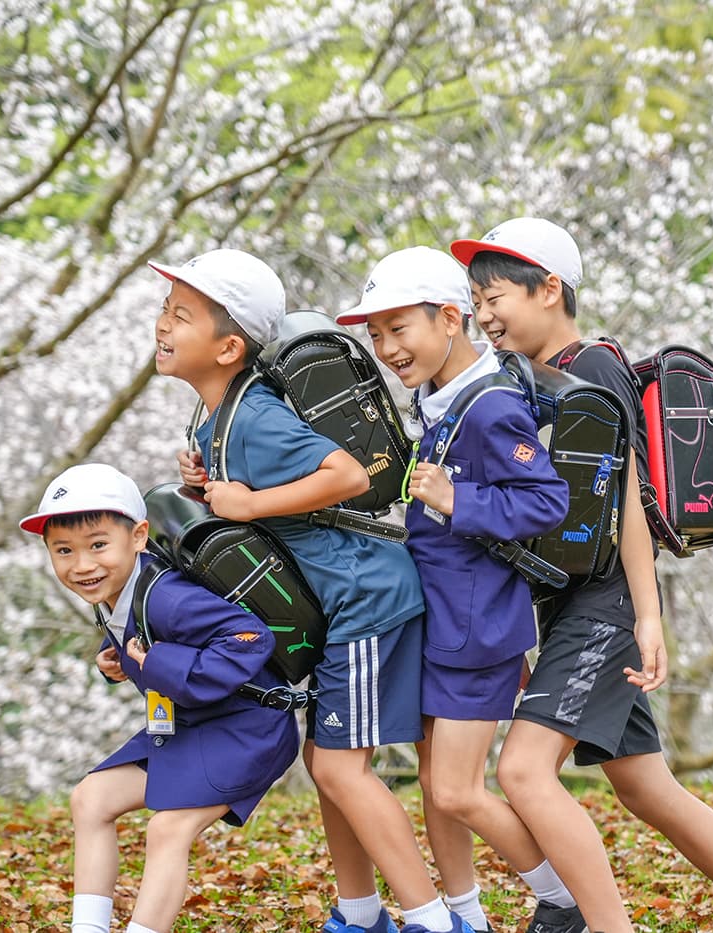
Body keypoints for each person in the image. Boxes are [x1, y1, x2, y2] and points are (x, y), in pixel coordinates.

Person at [450, 218, 713, 933]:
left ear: (550, 288)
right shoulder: (536, 379)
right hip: (579, 607)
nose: (484, 314)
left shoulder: (590, 370)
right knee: (646, 785)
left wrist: (646, 616)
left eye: (495, 296)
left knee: (522, 772)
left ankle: (595, 922)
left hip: (605, 604)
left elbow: (628, 505)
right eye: (475, 299)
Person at [150, 247, 471, 933]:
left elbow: (348, 475)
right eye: (165, 311)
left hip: (363, 597)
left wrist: (245, 506)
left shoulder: (255, 414)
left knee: (340, 767)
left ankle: (429, 918)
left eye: (180, 315)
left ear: (230, 345)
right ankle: (359, 911)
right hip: (340, 601)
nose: (162, 325)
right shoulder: (216, 418)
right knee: (325, 760)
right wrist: (206, 488)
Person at [336, 246, 583, 933]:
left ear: (450, 318)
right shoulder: (438, 401)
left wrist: (458, 496)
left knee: (456, 787)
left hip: (478, 630)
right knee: (435, 785)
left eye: (398, 329)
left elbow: (545, 500)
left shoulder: (489, 405)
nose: (387, 348)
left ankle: (565, 897)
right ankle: (464, 915)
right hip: (440, 621)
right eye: (375, 334)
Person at [19, 462, 300, 933]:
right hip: (192, 723)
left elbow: (250, 638)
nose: (82, 565)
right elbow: (149, 645)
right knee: (91, 800)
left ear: (138, 536)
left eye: (98, 545)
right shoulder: (115, 591)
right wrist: (117, 662)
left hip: (246, 730)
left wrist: (156, 664)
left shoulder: (168, 595)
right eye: (63, 551)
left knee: (168, 829)